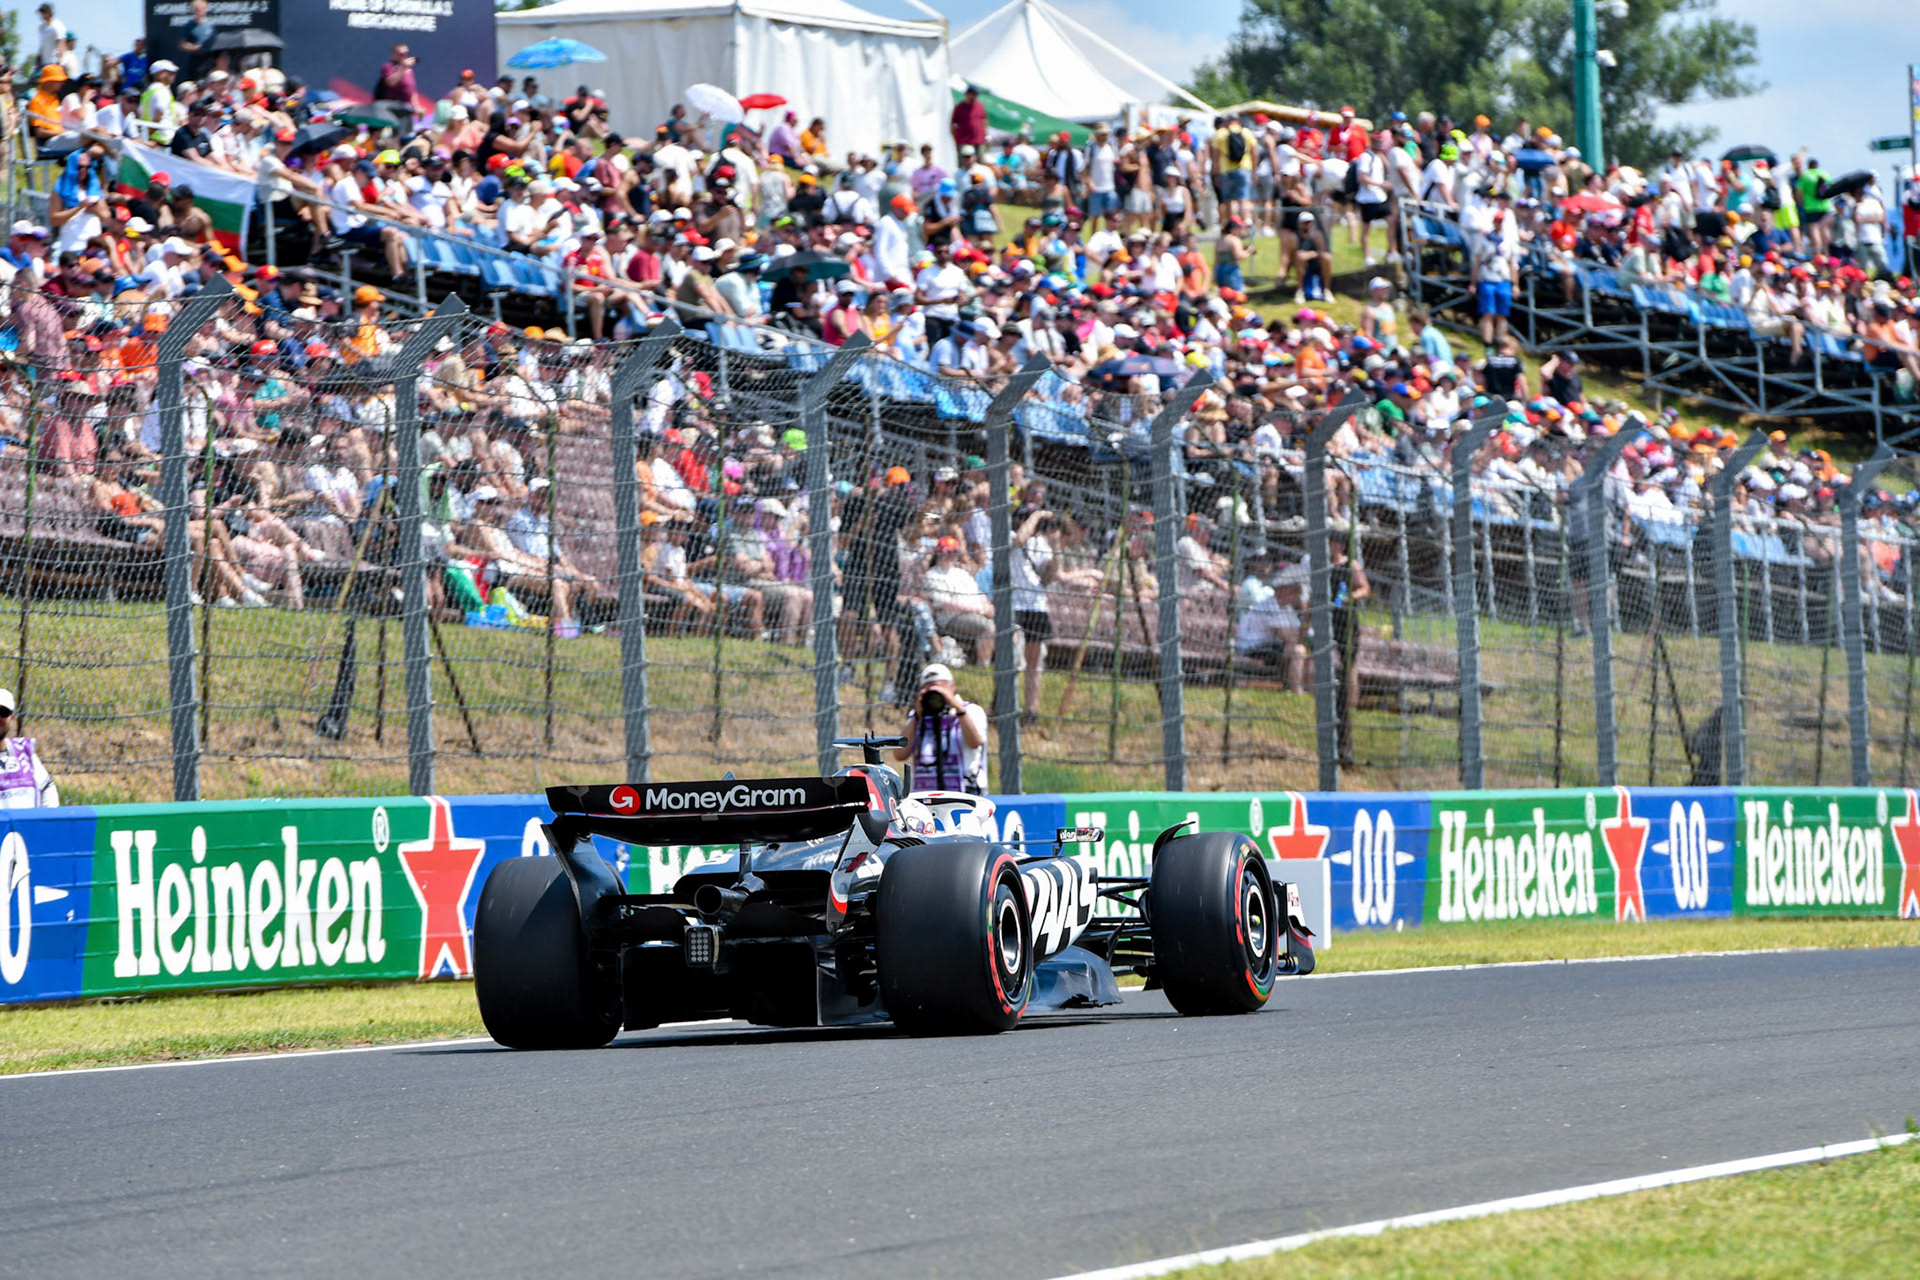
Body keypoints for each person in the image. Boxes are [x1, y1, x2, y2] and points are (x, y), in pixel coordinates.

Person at [891, 662, 987, 794]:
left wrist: (957, 708)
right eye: (928, 689)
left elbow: (975, 742)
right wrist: (917, 718)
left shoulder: (970, 711)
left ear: (952, 686)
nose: (935, 695)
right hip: (926, 793)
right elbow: (899, 754)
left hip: (965, 791)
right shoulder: (918, 716)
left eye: (939, 688)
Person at [0, 688, 58, 808]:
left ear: (11, 719)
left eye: (3, 712)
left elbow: (47, 787)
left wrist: (46, 816)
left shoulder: (23, 751)